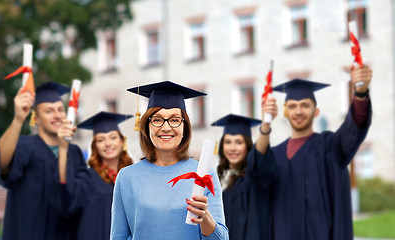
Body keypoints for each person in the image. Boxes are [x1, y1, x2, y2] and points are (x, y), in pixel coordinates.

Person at [251, 65, 373, 240]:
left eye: (305, 105)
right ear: (286, 112)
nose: (298, 111)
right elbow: (256, 170)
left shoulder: (330, 147)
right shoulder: (275, 156)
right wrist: (266, 124)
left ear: (316, 112)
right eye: (292, 106)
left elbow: (353, 130)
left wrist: (360, 93)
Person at [111, 81, 229, 240]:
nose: (166, 128)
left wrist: (205, 218)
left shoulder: (204, 175)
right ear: (147, 126)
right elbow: (118, 237)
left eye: (174, 120)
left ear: (184, 127)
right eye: (157, 119)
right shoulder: (127, 177)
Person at [0, 82, 87, 240]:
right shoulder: (24, 146)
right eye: (49, 111)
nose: (57, 115)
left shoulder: (74, 153)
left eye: (60, 109)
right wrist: (18, 119)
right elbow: (2, 164)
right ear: (36, 118)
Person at [53, 111, 134, 239]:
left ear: (122, 141)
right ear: (95, 146)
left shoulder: (132, 177)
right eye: (101, 140)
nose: (108, 144)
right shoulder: (87, 178)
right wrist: (63, 149)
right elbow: (66, 200)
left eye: (113, 137)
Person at [212, 113, 277, 240]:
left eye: (239, 142)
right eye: (228, 142)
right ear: (222, 145)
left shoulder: (253, 177)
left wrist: (265, 127)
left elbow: (259, 156)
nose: (232, 148)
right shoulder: (218, 179)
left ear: (247, 146)